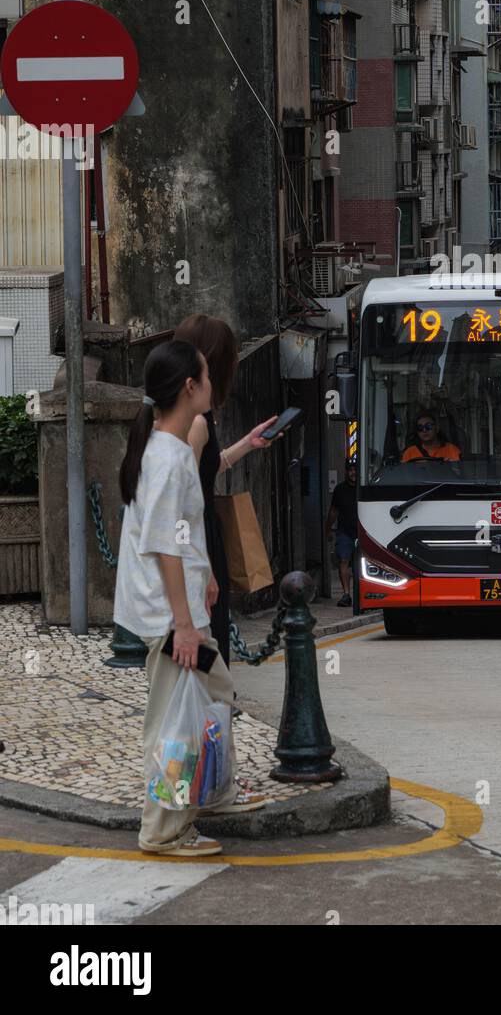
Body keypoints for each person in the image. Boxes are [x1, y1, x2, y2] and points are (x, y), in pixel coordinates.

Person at [114, 340, 266, 859]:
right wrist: (184, 625)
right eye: (205, 376)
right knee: (173, 726)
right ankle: (163, 829)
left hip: (180, 607)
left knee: (216, 695)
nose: (212, 384)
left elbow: (178, 536)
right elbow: (161, 545)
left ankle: (214, 791)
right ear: (189, 387)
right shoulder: (167, 458)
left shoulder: (167, 449)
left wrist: (203, 576)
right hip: (168, 617)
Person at [173, 314, 277, 667]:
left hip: (201, 540)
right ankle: (208, 721)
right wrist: (203, 571)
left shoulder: (191, 415)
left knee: (207, 657)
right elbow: (182, 500)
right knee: (207, 656)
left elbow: (203, 470)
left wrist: (248, 443)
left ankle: (209, 719)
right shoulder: (197, 423)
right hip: (199, 541)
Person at [326, 462, 358, 608]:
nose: (353, 473)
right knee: (343, 560)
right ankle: (346, 594)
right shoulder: (340, 489)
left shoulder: (363, 488)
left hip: (362, 532)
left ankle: (363, 593)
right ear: (345, 472)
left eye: (355, 470)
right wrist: (328, 529)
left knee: (361, 564)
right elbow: (333, 511)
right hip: (344, 531)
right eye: (350, 470)